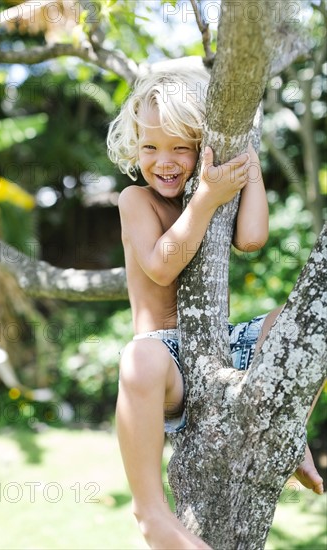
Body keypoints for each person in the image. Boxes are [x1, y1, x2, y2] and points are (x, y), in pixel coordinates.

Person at [107, 68, 324, 550]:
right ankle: (153, 516)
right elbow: (161, 267)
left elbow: (251, 237)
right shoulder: (134, 200)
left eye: (180, 147)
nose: (163, 161)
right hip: (165, 362)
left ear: (204, 147)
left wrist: (246, 164)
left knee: (300, 325)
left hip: (219, 350)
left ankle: (290, 435)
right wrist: (205, 199)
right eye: (150, 148)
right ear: (135, 146)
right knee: (136, 358)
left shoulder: (210, 193)